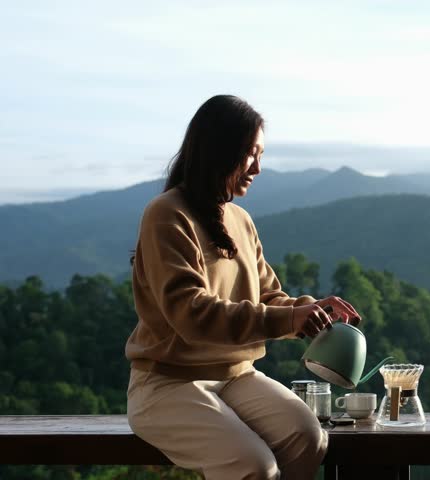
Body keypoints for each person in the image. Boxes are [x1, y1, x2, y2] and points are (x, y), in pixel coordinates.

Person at [125, 94, 362, 480]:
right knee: (253, 466)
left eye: (261, 154)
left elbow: (268, 296)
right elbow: (193, 315)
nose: (258, 167)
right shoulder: (167, 215)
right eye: (251, 154)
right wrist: (288, 317)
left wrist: (312, 310)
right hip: (166, 384)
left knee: (309, 438)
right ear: (220, 151)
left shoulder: (240, 219)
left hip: (236, 375)